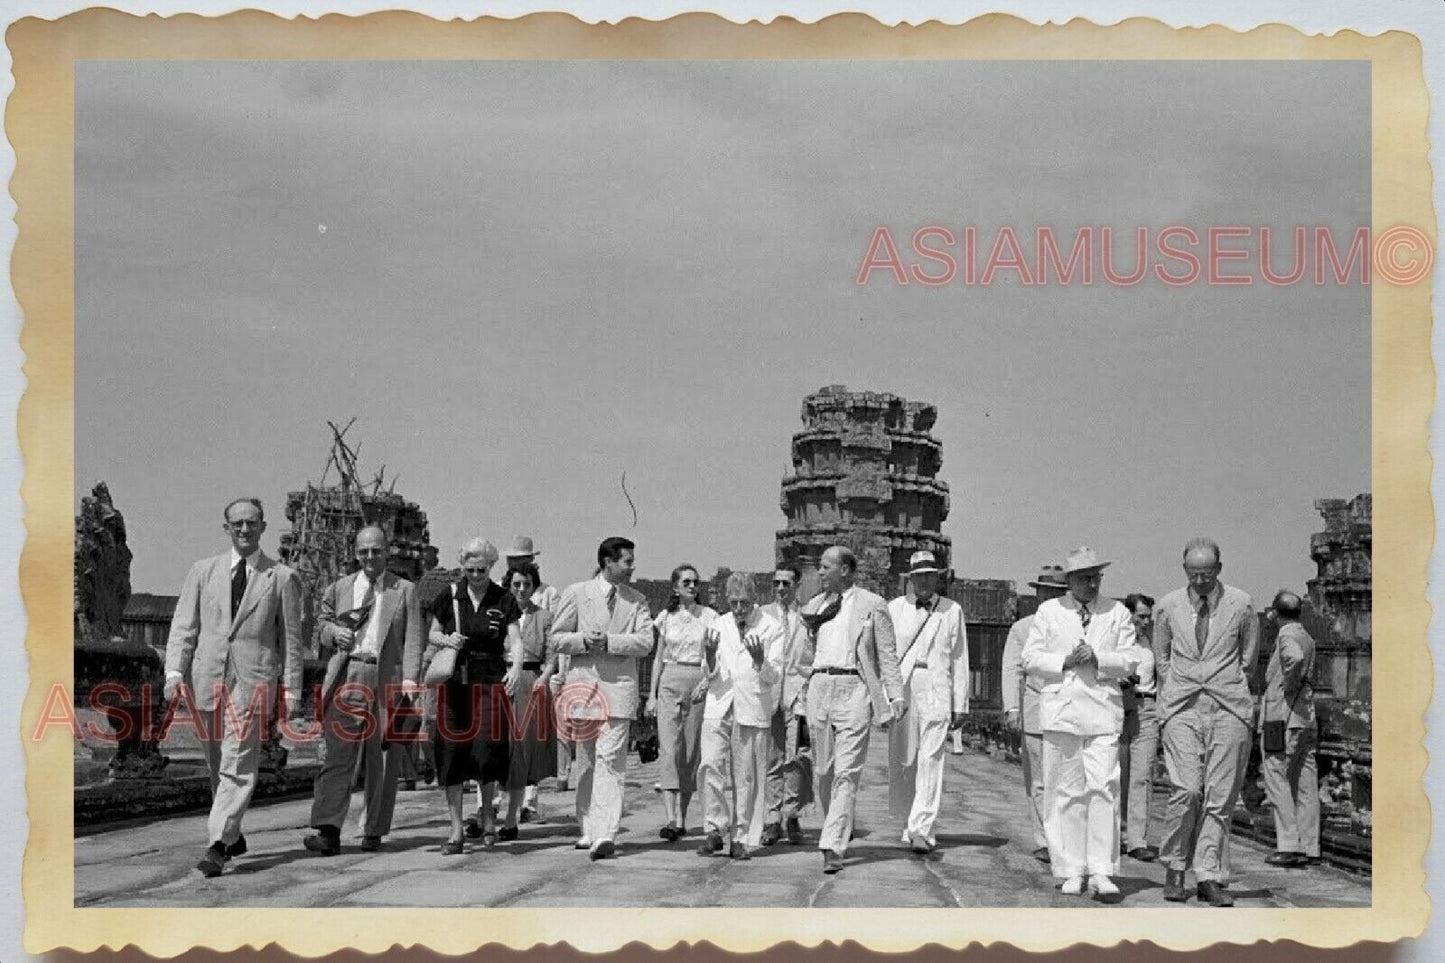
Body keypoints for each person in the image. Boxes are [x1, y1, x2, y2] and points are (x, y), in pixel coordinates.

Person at [163, 497, 304, 877]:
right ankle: (233, 831)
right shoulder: (202, 571)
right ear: (227, 528)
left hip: (254, 682)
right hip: (207, 678)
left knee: (238, 762)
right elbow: (184, 627)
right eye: (238, 523)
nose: (245, 529)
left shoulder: (282, 578)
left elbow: (291, 640)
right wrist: (174, 672)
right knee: (216, 762)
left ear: (263, 527)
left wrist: (292, 690)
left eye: (252, 523)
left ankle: (217, 846)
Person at [1022, 547, 1142, 901]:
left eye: (1096, 577)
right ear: (1069, 581)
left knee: (1104, 788)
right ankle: (1072, 869)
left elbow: (1131, 659)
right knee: (1066, 791)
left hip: (1103, 713)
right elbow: (1030, 658)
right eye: (1084, 578)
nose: (1092, 584)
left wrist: (1099, 657)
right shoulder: (1049, 612)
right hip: (1062, 712)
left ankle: (1102, 871)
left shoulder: (1116, 612)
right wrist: (1066, 660)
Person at [303, 525, 424, 855]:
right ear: (355, 553)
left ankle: (374, 828)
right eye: (364, 551)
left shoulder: (405, 590)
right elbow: (321, 624)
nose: (370, 557)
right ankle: (328, 829)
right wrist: (332, 634)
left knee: (382, 759)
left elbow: (413, 638)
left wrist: (411, 681)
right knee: (337, 754)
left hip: (388, 677)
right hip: (348, 674)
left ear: (387, 551)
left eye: (376, 550)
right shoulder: (341, 587)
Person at [1153, 537, 1261, 906]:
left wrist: (1224, 684)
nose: (1200, 580)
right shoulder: (1167, 606)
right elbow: (1161, 658)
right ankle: (1174, 866)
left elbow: (1248, 659)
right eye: (1193, 573)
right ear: (1185, 570)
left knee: (1220, 797)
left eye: (1207, 572)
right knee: (1186, 789)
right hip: (1182, 706)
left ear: (1219, 568)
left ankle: (1209, 875)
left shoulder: (1242, 604)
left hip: (1228, 705)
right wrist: (1179, 688)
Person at [800, 545, 906, 874]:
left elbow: (886, 653)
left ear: (845, 569)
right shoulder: (813, 606)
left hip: (855, 689)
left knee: (847, 772)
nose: (819, 572)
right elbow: (804, 656)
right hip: (820, 687)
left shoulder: (872, 605)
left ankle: (833, 844)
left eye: (825, 566)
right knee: (822, 771)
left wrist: (895, 695)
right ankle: (837, 826)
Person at [550, 536, 655, 859]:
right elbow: (556, 638)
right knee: (588, 761)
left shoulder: (637, 600)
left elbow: (645, 642)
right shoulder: (577, 593)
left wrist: (610, 642)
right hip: (585, 689)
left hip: (619, 689)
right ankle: (588, 827)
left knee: (611, 761)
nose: (632, 567)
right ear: (608, 562)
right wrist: (583, 640)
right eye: (626, 561)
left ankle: (605, 833)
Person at [428, 539, 523, 854]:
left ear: (491, 566)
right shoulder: (450, 595)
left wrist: (517, 668)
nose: (476, 575)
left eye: (481, 569)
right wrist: (447, 638)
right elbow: (431, 633)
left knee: (486, 751)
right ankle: (455, 829)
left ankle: (487, 818)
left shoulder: (503, 598)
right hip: (454, 683)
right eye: (469, 570)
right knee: (451, 753)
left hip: (489, 682)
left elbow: (516, 639)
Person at [696, 573, 785, 859]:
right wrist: (709, 655)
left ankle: (742, 836)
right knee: (710, 765)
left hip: (751, 705)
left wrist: (760, 660)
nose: (738, 609)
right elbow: (709, 673)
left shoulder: (772, 627)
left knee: (746, 775)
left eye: (744, 602)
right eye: (733, 602)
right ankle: (714, 827)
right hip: (719, 703)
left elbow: (774, 676)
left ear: (754, 599)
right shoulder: (718, 624)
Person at [886, 550, 969, 854]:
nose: (924, 581)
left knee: (931, 761)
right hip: (904, 688)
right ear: (910, 578)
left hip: (936, 686)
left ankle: (923, 827)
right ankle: (909, 822)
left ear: (938, 577)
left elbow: (959, 658)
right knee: (904, 760)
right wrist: (887, 696)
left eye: (929, 575)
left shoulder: (952, 611)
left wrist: (961, 703)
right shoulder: (894, 608)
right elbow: (885, 655)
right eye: (918, 576)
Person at [1000, 564, 1069, 863]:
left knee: (1065, 780)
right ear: (1038, 593)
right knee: (1039, 781)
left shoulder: (1074, 625)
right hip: (1036, 709)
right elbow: (1011, 669)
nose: (1049, 597)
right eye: (1046, 592)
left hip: (1068, 712)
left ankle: (1065, 837)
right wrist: (1012, 708)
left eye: (1056, 593)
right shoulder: (1023, 628)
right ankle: (1044, 839)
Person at [644, 564, 716, 841]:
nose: (692, 586)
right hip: (670, 678)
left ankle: (683, 817)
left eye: (696, 582)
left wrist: (706, 680)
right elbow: (658, 658)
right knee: (668, 746)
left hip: (697, 679)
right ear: (675, 586)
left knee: (690, 749)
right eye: (686, 581)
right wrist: (651, 695)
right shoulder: (666, 617)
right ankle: (670, 817)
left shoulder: (708, 616)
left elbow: (714, 656)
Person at [1259, 590, 1320, 868]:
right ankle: (1309, 844)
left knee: (1277, 775)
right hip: (1305, 717)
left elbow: (1293, 660)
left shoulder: (1286, 636)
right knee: (1305, 781)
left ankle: (1289, 844)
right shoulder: (1306, 635)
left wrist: (1288, 684)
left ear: (1274, 613)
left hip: (1281, 716)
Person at [500, 561, 558, 838]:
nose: (521, 590)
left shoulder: (544, 617)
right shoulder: (498, 614)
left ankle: (512, 816)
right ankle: (486, 810)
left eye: (527, 585)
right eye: (516, 585)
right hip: (500, 680)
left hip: (530, 681)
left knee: (521, 750)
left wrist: (542, 681)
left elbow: (552, 655)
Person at [760, 563, 813, 846]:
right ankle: (771, 818)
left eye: (786, 583)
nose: (781, 588)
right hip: (769, 694)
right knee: (772, 758)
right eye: (776, 583)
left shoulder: (806, 617)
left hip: (798, 694)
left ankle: (792, 814)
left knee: (798, 756)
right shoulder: (762, 616)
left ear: (796, 586)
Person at [1119, 593, 1160, 862]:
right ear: (1128, 615)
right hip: (1121, 708)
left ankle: (1137, 840)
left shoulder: (1152, 643)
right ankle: (1117, 833)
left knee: (1141, 776)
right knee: (1117, 774)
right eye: (1141, 616)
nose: (1146, 621)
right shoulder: (1117, 642)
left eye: (1148, 617)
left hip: (1148, 708)